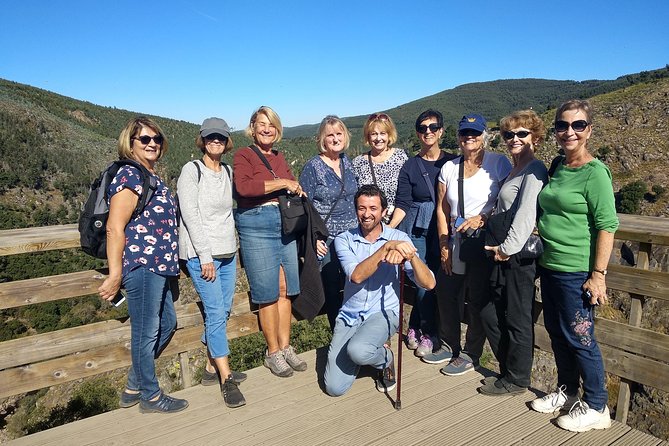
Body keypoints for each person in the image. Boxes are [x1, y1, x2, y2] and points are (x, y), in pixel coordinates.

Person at [531, 100, 618, 432]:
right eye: (562, 126)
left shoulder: (594, 173)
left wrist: (598, 275)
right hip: (550, 265)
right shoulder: (558, 165)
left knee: (581, 338)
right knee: (557, 333)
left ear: (589, 130)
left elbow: (607, 225)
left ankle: (597, 406)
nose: (570, 131)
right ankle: (567, 392)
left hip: (577, 271)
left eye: (577, 125)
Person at [97, 117, 188, 413]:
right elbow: (114, 226)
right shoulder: (130, 174)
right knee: (145, 332)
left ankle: (133, 385)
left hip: (159, 267)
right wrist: (115, 274)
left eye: (156, 139)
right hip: (143, 265)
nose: (152, 144)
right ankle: (149, 396)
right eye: (144, 140)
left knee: (167, 324)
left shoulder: (149, 175)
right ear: (131, 143)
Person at [324, 185, 436, 397]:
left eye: (373, 208)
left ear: (384, 212)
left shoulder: (400, 238)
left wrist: (411, 256)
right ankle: (366, 352)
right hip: (350, 315)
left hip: (383, 312)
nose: (367, 214)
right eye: (361, 208)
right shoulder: (344, 239)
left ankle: (384, 358)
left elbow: (429, 284)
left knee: (358, 351)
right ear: (355, 210)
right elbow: (356, 276)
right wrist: (386, 248)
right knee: (334, 388)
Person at [424, 114, 512, 376]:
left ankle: (471, 353)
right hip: (456, 239)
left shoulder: (499, 164)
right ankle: (449, 344)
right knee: (446, 292)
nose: (469, 138)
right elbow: (442, 209)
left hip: (483, 240)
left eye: (475, 133)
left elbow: (508, 200)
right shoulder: (449, 168)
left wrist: (483, 217)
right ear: (458, 136)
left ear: (484, 135)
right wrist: (443, 244)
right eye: (464, 133)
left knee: (477, 299)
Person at [233, 106, 307, 378]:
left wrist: (293, 185)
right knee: (267, 291)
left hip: (283, 221)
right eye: (261, 124)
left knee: (286, 287)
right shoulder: (243, 155)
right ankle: (273, 352)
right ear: (252, 128)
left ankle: (286, 347)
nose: (266, 129)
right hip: (255, 222)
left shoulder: (279, 157)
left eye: (272, 125)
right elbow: (245, 188)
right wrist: (282, 183)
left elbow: (287, 182)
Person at [478, 110, 548, 396]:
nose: (514, 139)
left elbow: (526, 214)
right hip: (502, 252)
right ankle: (508, 371)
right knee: (490, 314)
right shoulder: (514, 168)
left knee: (518, 317)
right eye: (509, 134)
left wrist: (506, 250)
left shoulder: (534, 169)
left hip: (515, 256)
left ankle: (517, 380)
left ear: (535, 138)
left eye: (522, 133)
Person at [177, 117, 246, 408]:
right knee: (216, 312)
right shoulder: (191, 171)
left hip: (228, 252)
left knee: (224, 310)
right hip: (201, 255)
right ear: (202, 140)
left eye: (220, 137)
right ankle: (226, 378)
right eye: (210, 137)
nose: (215, 141)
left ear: (226, 141)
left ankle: (209, 368)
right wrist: (204, 256)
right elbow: (190, 215)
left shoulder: (228, 171)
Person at [389, 109, 456, 357]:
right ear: (417, 132)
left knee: (435, 281)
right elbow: (403, 203)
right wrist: (387, 230)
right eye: (422, 128)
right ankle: (430, 333)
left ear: (441, 131)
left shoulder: (452, 161)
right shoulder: (410, 166)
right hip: (416, 228)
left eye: (433, 127)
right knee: (422, 279)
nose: (428, 131)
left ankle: (416, 327)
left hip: (443, 228)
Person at [299, 115, 358, 330]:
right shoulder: (313, 167)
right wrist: (312, 239)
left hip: (353, 237)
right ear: (322, 140)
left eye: (338, 133)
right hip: (327, 240)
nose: (335, 138)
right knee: (332, 290)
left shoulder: (347, 162)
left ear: (345, 136)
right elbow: (303, 207)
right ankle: (340, 335)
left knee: (354, 286)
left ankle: (357, 334)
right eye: (329, 135)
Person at [352, 112, 408, 223]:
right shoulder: (358, 163)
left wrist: (391, 227)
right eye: (373, 134)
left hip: (397, 224)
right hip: (368, 225)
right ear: (368, 136)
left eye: (383, 133)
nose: (378, 138)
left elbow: (406, 197)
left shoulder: (401, 158)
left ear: (389, 135)